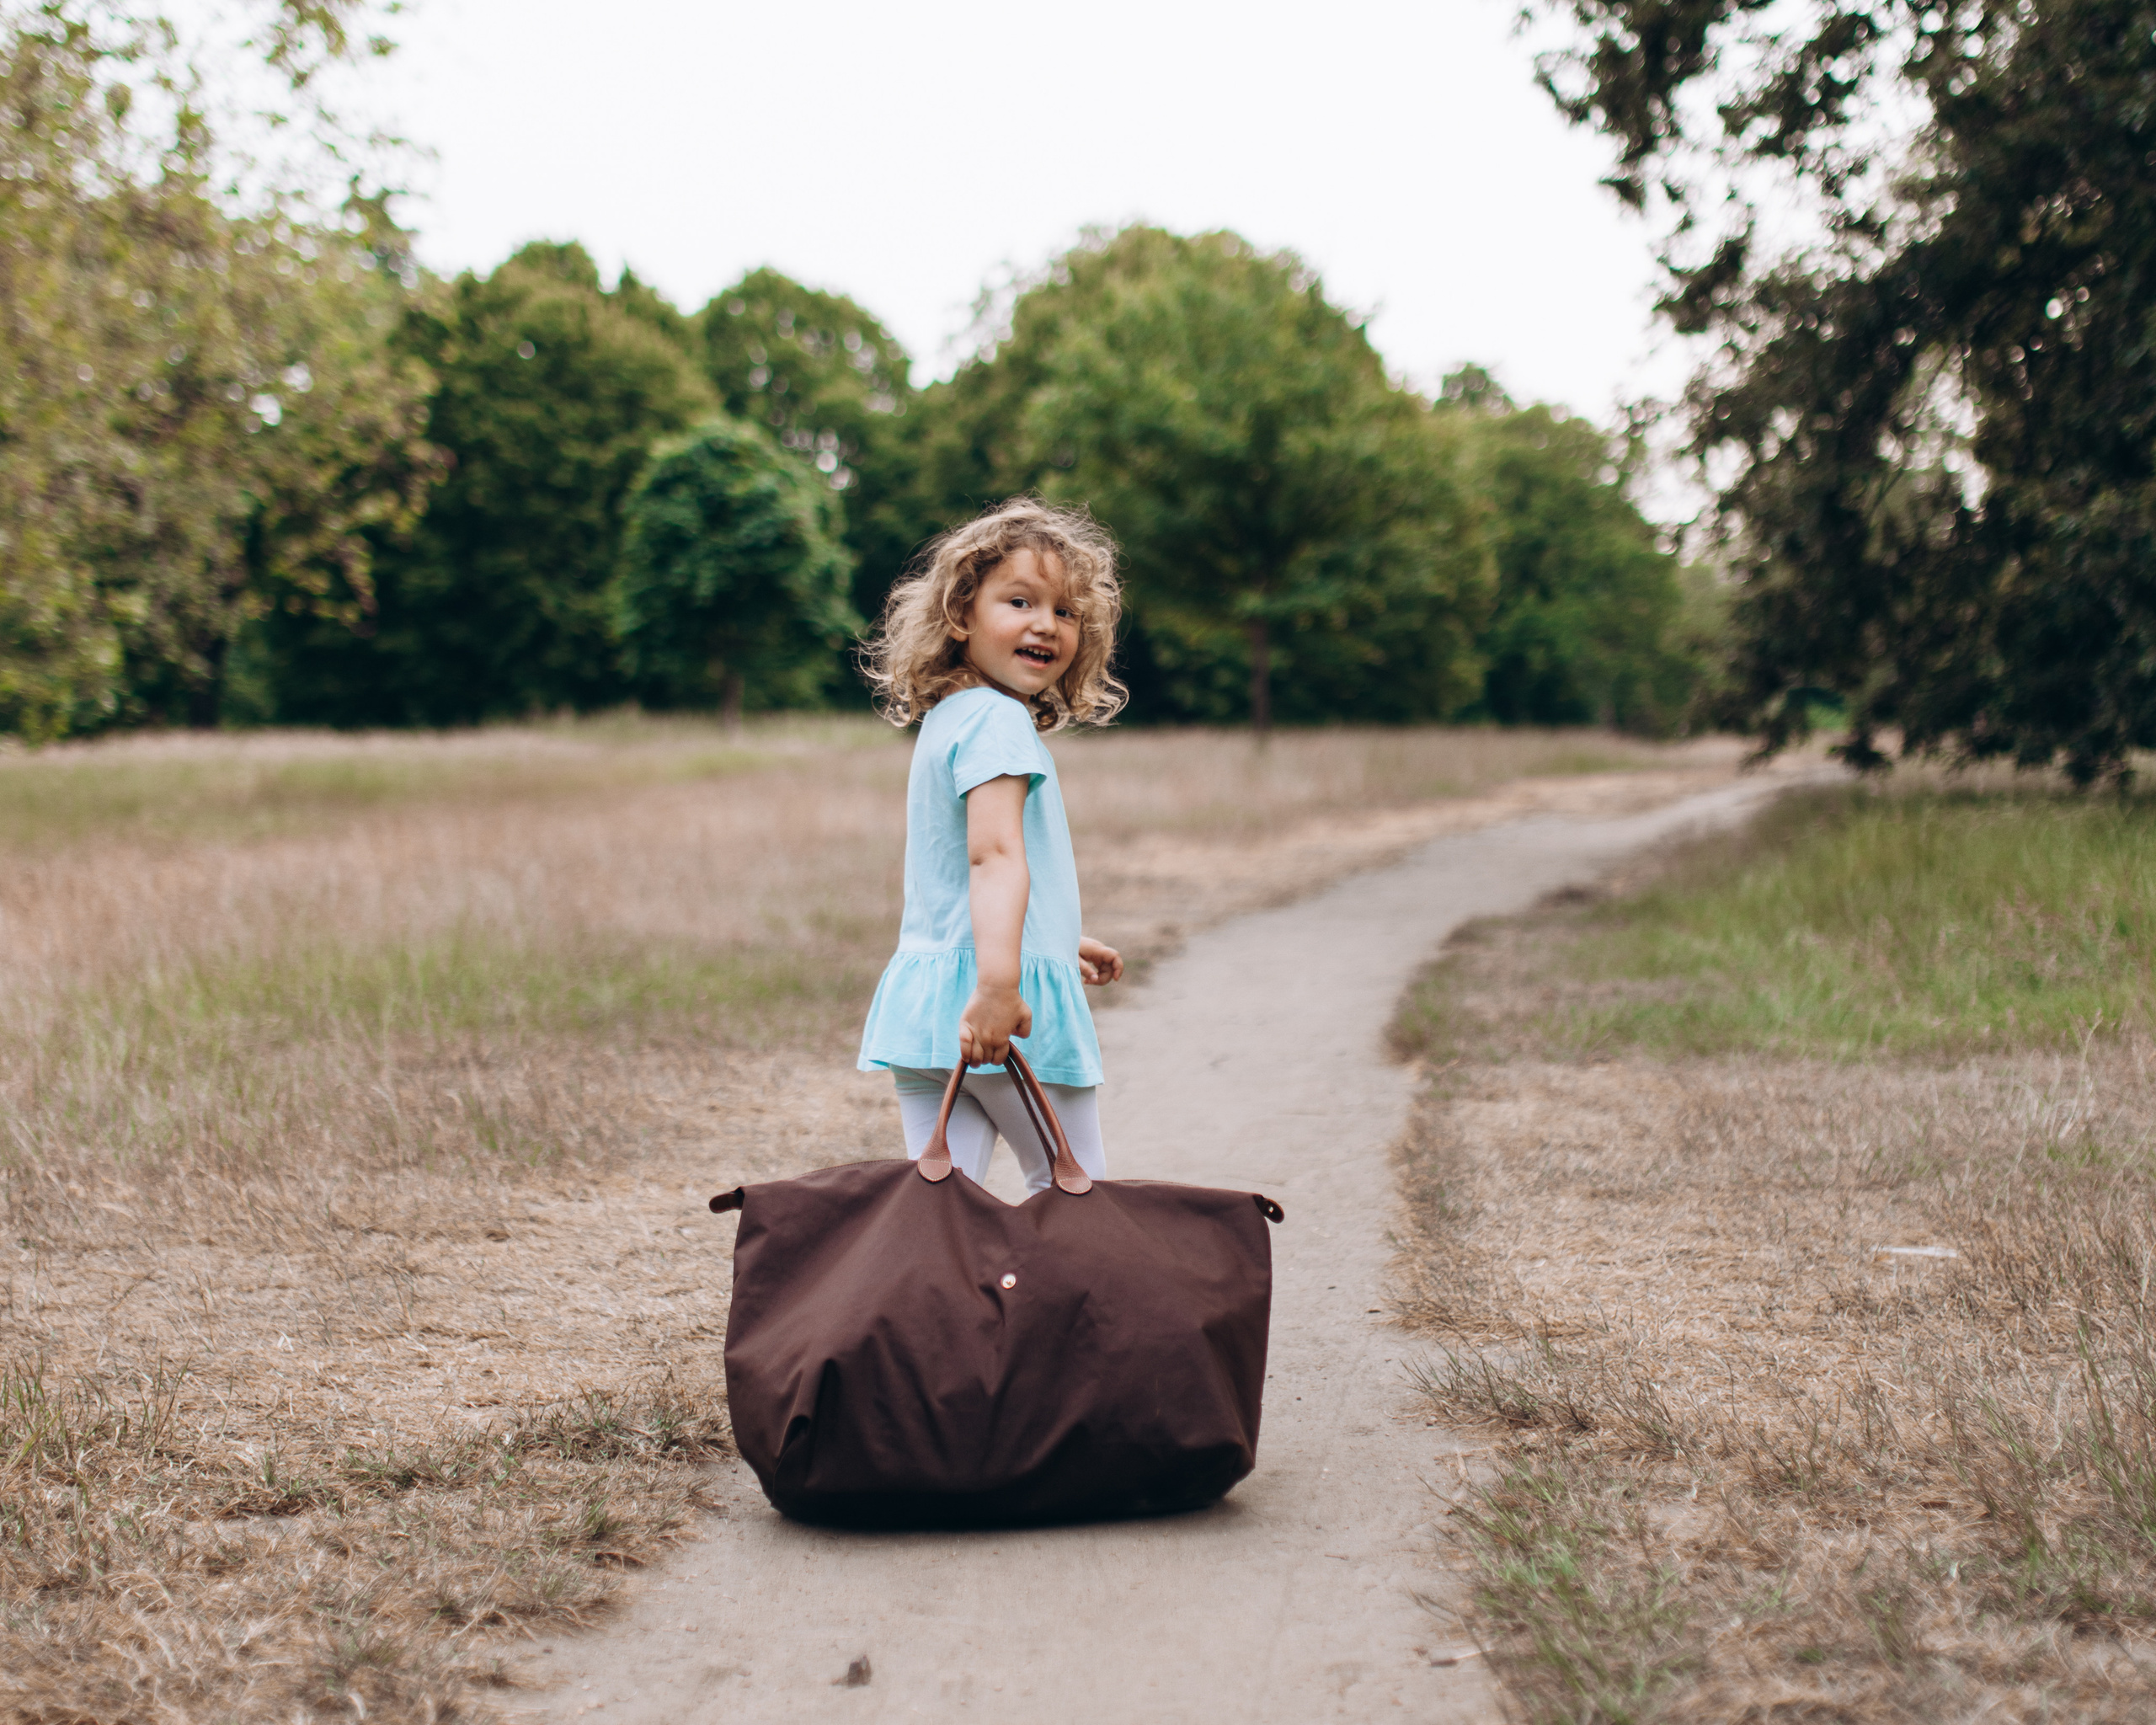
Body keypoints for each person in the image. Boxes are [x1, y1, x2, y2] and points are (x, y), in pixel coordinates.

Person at [857, 498, 1127, 1193]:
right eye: (1020, 601)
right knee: (1073, 1194)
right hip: (996, 1008)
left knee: (945, 1219)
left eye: (1066, 612)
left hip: (925, 1013)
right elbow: (995, 858)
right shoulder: (1000, 722)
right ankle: (1060, 1309)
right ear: (960, 614)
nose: (1046, 624)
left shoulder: (950, 719)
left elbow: (959, 874)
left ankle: (931, 1308)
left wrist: (1055, 935)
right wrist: (1003, 985)